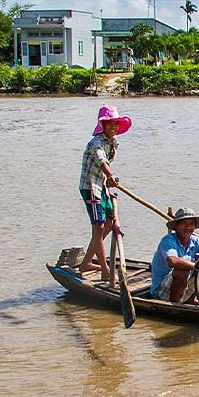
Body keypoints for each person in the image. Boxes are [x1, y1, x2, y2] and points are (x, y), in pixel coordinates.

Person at [78, 105, 132, 279]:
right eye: (110, 124)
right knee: (99, 226)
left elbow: (105, 166)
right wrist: (111, 175)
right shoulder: (97, 143)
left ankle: (87, 262)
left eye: (116, 124)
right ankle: (105, 270)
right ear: (103, 125)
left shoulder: (112, 143)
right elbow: (102, 161)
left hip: (102, 186)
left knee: (108, 223)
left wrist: (109, 181)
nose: (114, 128)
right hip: (91, 187)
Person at [151, 208, 199, 302]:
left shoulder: (195, 241)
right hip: (161, 292)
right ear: (177, 226)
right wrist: (198, 267)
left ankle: (190, 300)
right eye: (184, 223)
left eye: (191, 224)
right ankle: (174, 306)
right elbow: (172, 261)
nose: (188, 227)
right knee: (182, 272)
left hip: (182, 288)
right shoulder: (168, 240)